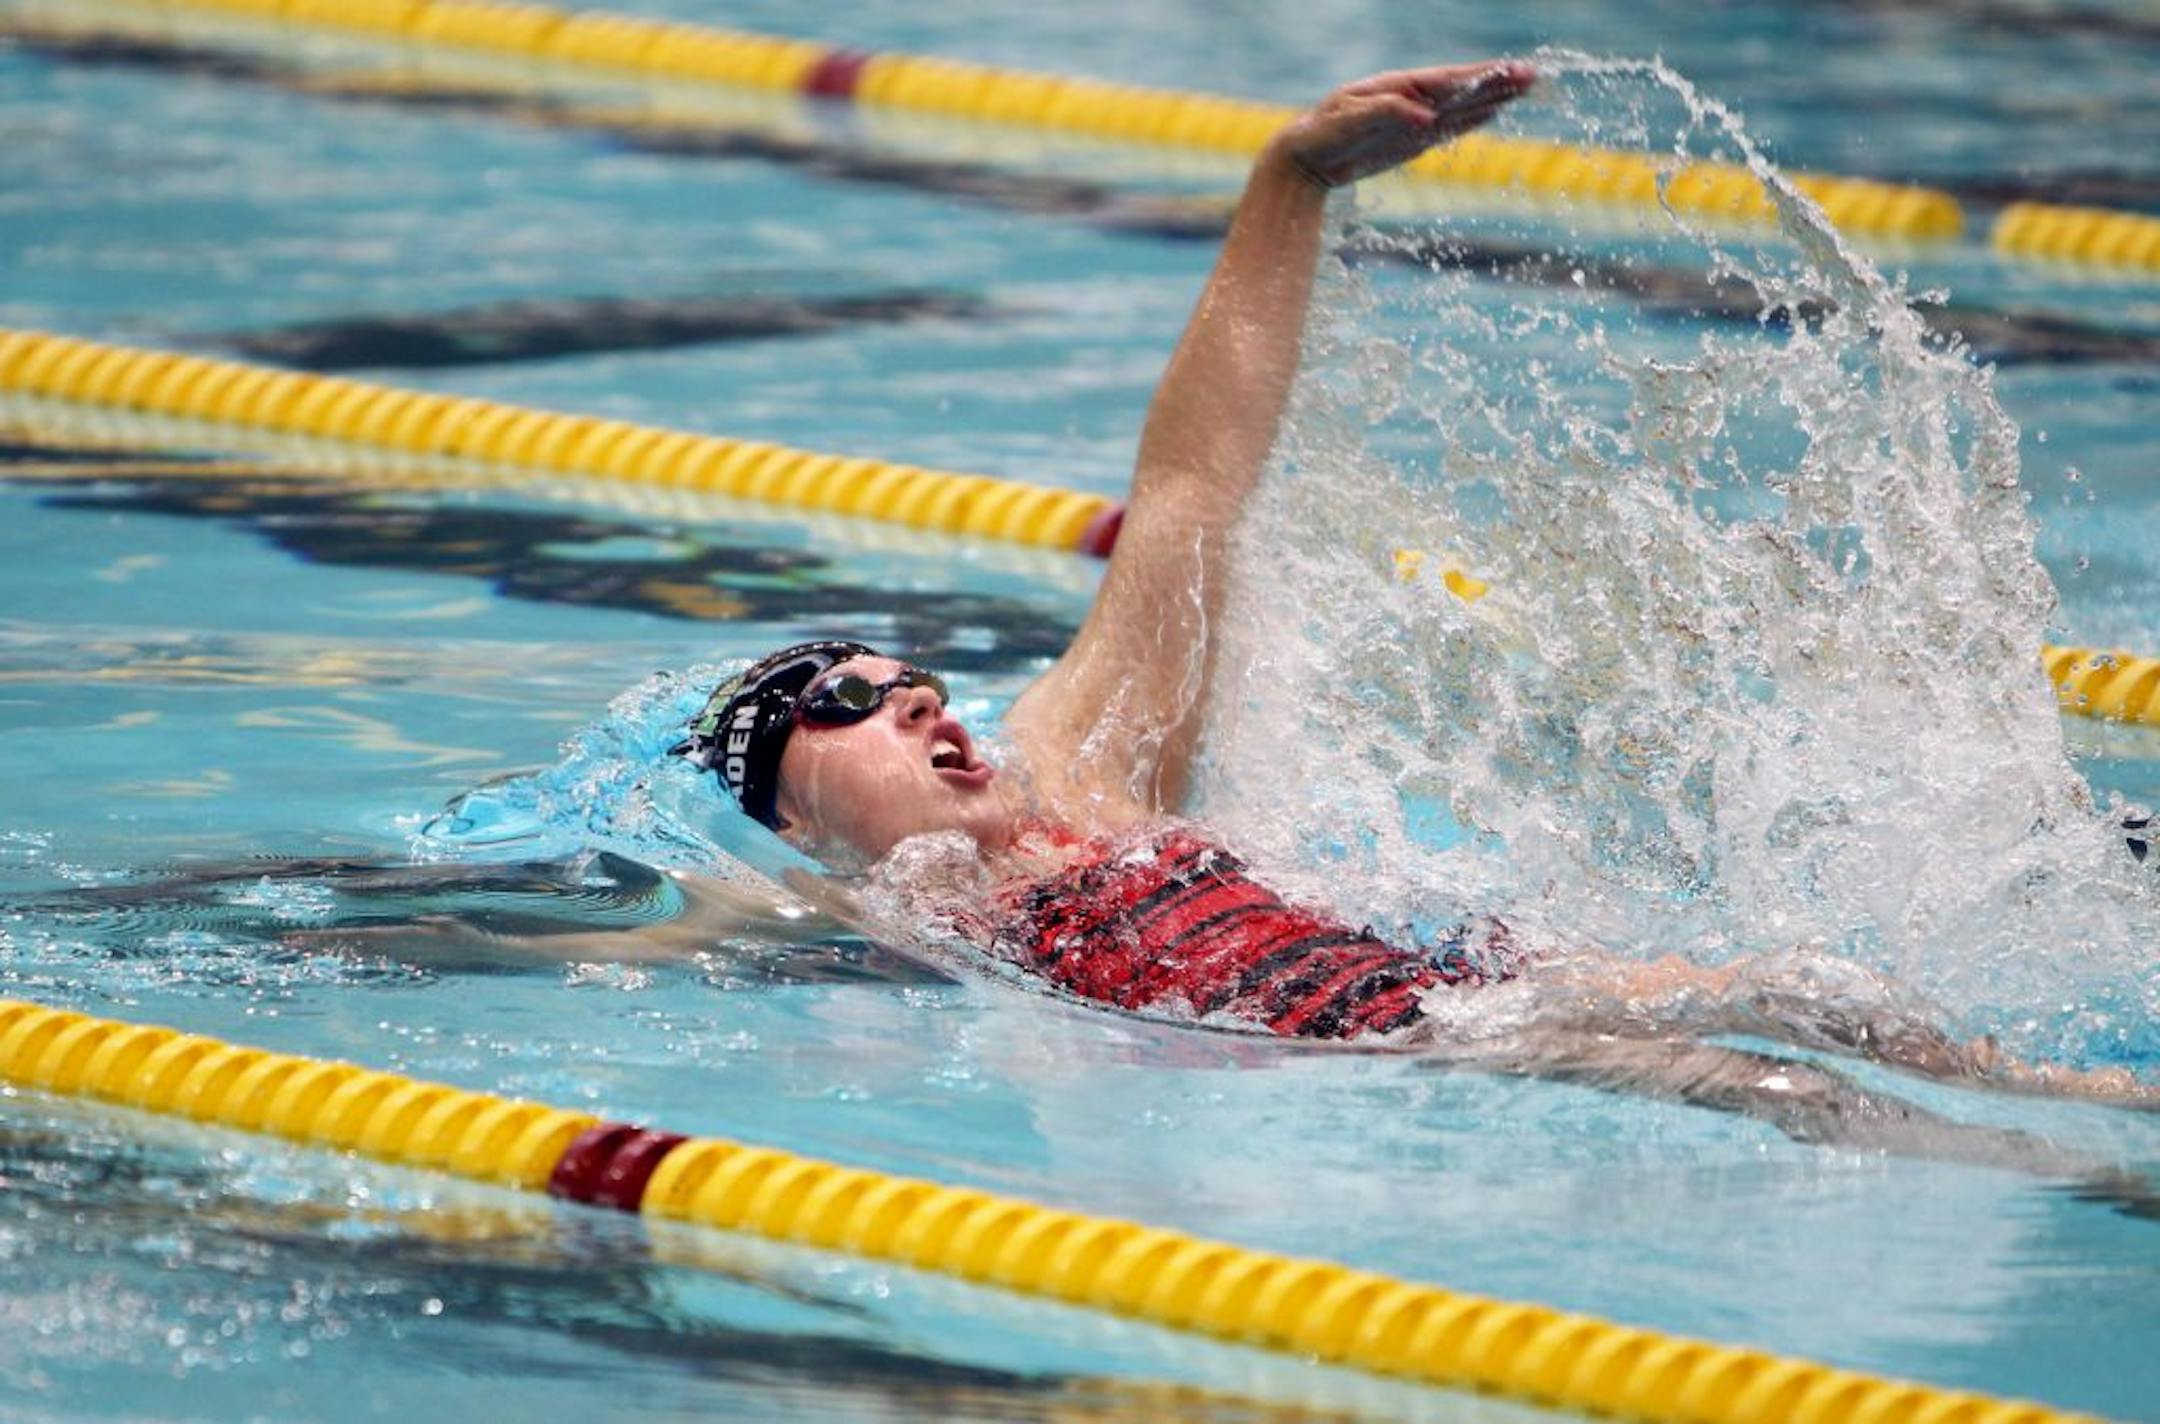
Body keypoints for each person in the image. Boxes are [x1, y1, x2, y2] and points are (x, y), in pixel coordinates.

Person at [670, 62, 2158, 1170]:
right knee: (1768, 1089)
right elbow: (577, 952)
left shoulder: (1090, 766)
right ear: (786, 815)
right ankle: (2097, 1184)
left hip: (1463, 990)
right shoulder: (836, 906)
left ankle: (2115, 1118)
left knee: (1832, 998)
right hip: (1388, 1060)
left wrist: (1289, 183)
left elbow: (1190, 491)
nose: (916, 702)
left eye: (913, 679)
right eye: (845, 706)